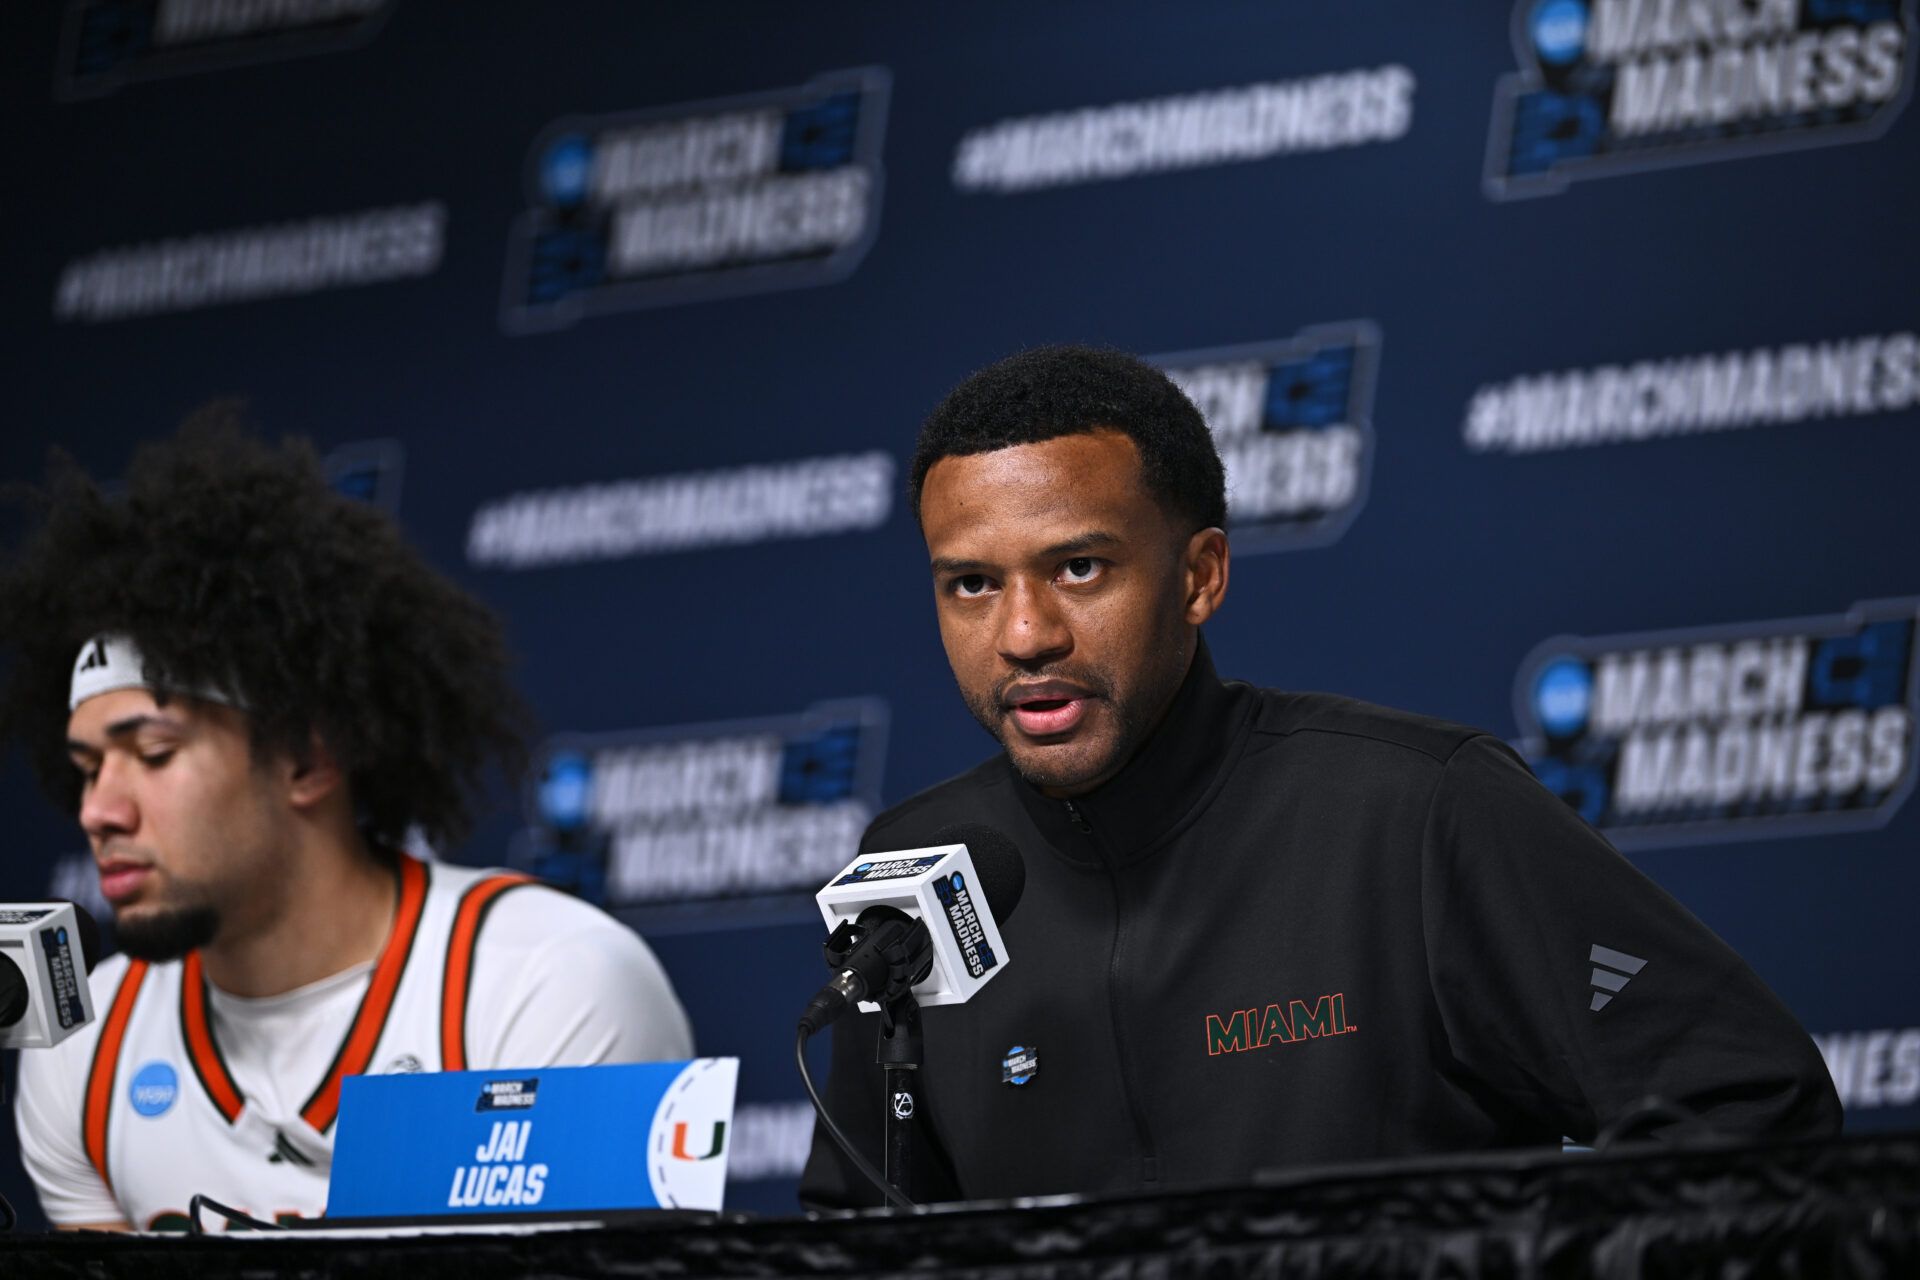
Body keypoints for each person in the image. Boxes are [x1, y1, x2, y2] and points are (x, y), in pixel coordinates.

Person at [798, 345, 1840, 1208]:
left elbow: (1746, 1102)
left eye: (1079, 567)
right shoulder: (913, 871)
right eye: (972, 584)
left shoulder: (1419, 809)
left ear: (1200, 575)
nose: (1025, 634)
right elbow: (851, 1233)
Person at [3, 411, 692, 1231]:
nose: (98, 811)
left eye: (153, 754)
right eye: (87, 768)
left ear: (306, 759)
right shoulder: (84, 1045)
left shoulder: (552, 981)